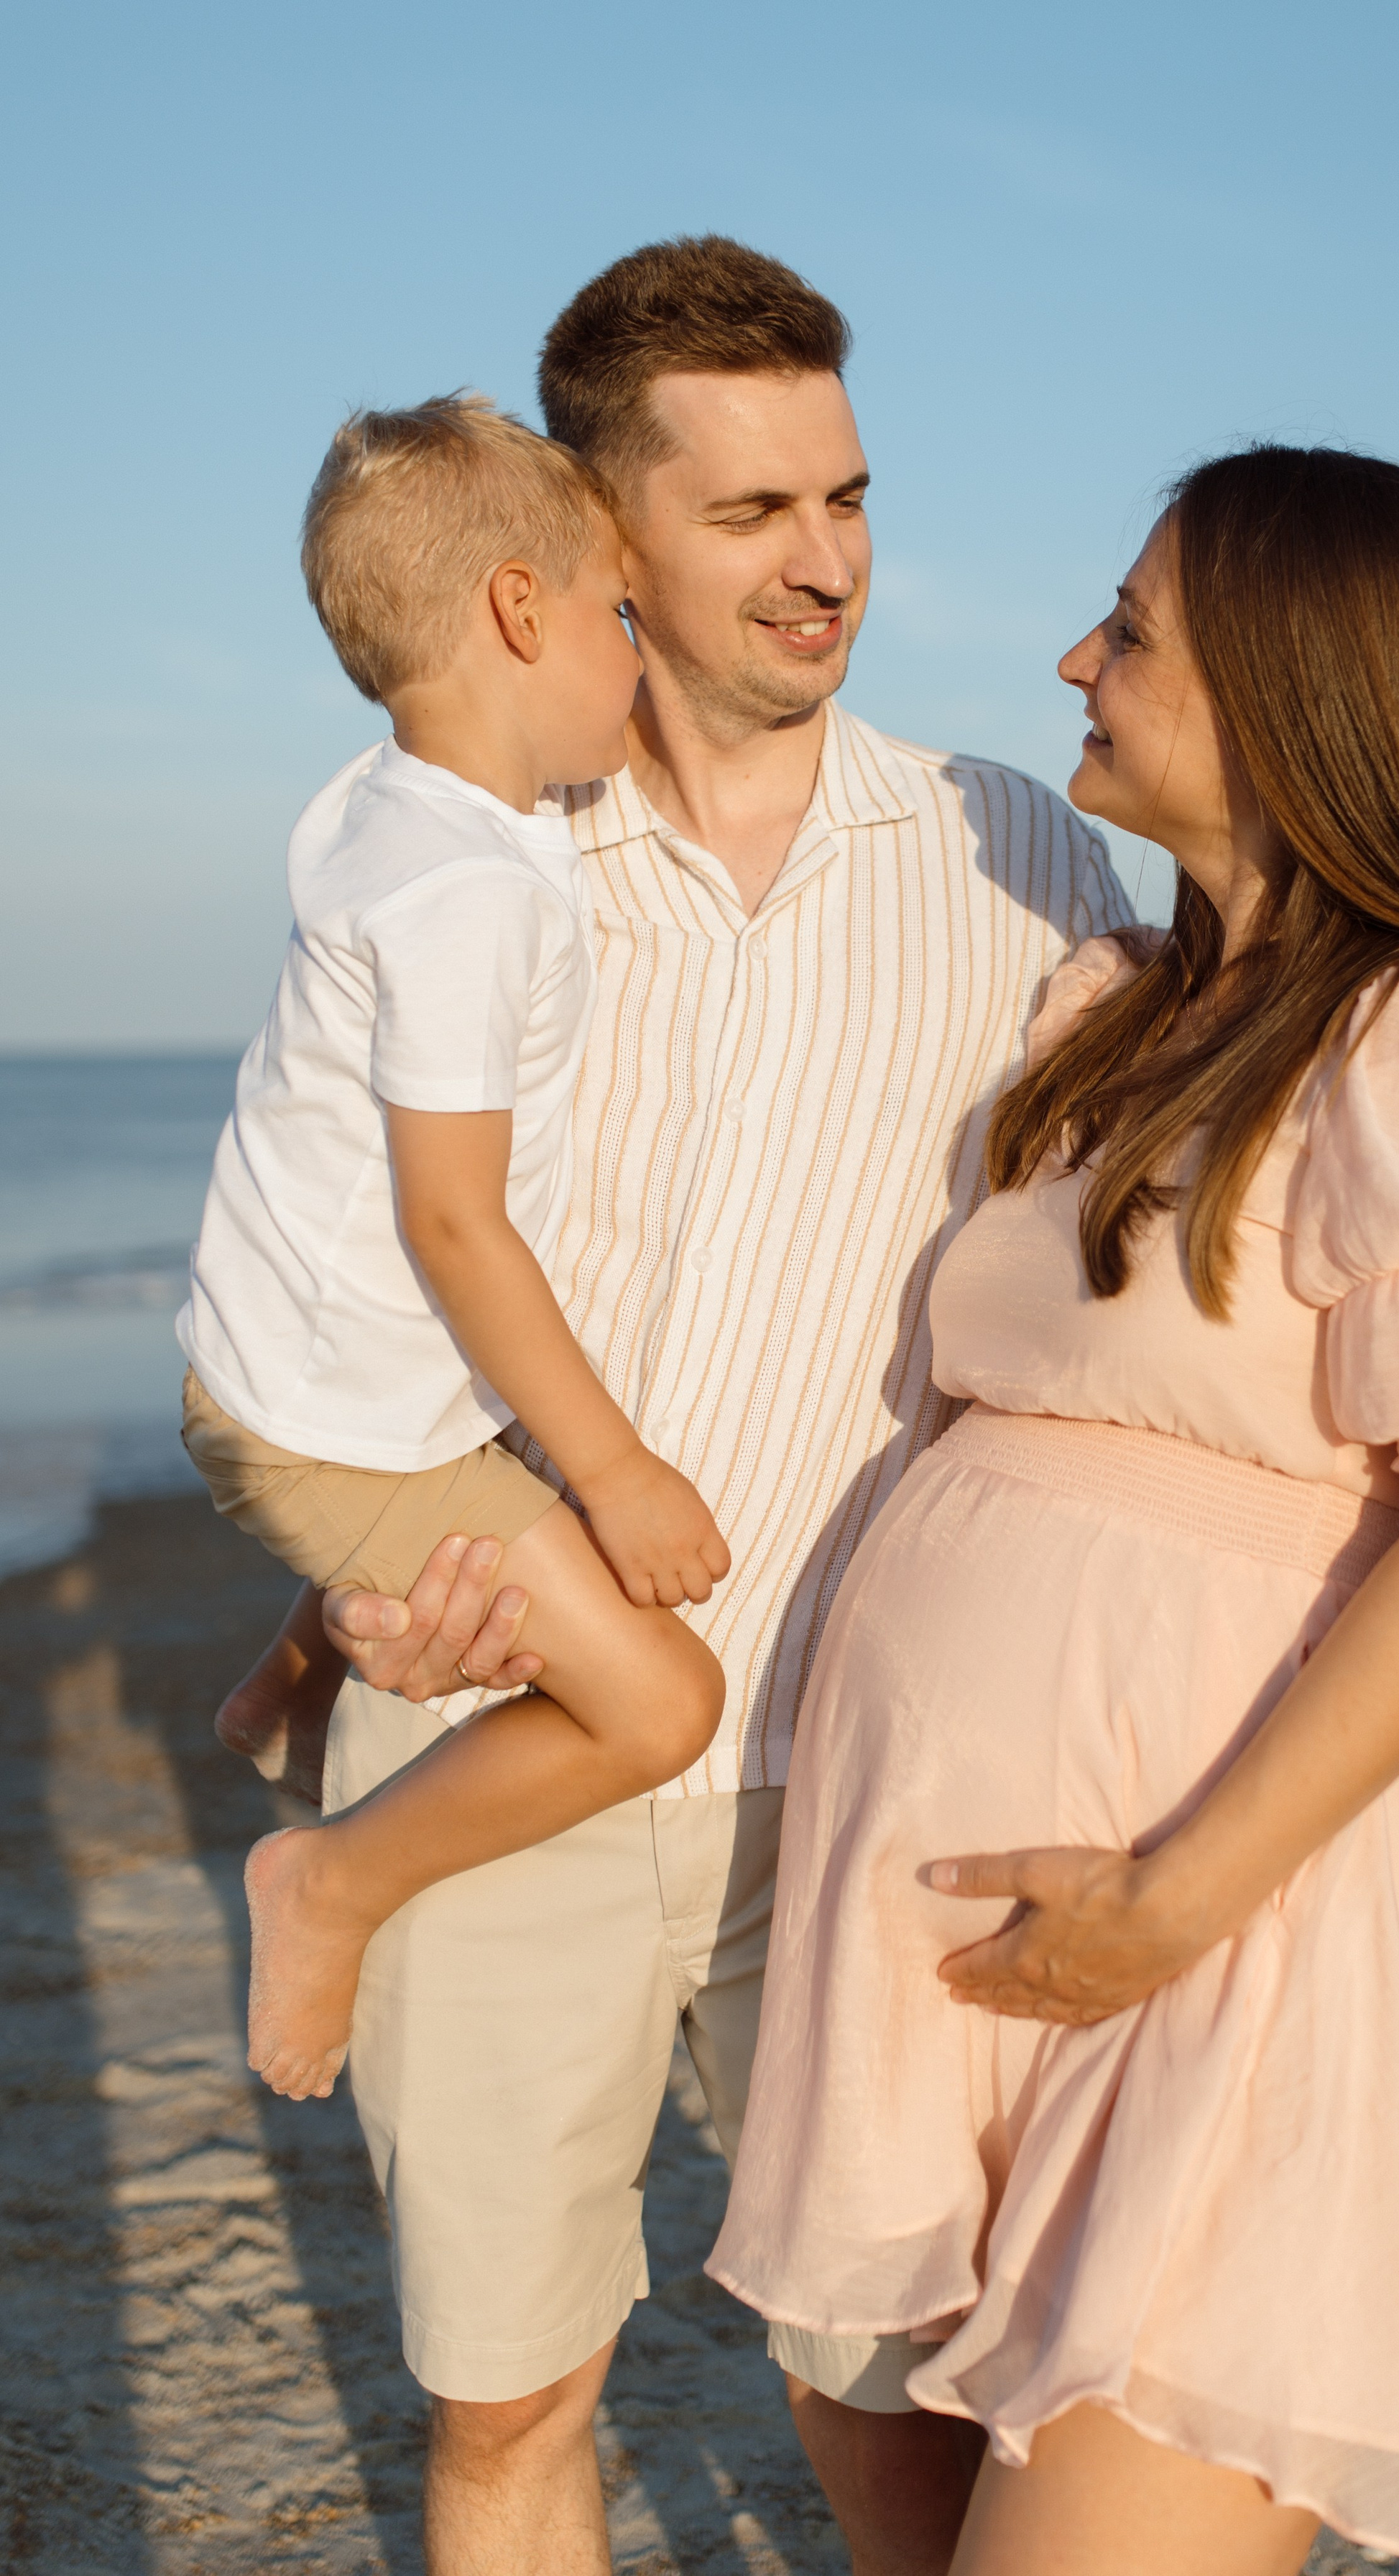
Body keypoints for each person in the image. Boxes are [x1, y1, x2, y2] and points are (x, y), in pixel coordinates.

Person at [709, 444, 1399, 2574]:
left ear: (1302, 688)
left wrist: (1173, 1898)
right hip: (944, 1931)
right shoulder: (1114, 1014)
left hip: (1234, 1922)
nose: (1075, 658)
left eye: (1132, 631)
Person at [281, 237, 1135, 2575]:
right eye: (754, 508)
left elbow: (1165, 1249)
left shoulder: (1011, 847)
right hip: (503, 1738)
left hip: (864, 1767)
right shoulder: (467, 861)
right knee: (509, 2401)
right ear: (597, 526)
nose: (827, 556)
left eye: (845, 492)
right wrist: (346, 1588)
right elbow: (306, 1282)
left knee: (894, 2408)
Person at [176, 395, 730, 2103]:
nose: (638, 664)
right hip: (334, 1416)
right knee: (662, 1703)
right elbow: (453, 1222)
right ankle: (329, 1876)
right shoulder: (462, 896)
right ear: (514, 613)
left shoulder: (387, 807)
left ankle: (295, 1668)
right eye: (618, 618)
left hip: (272, 1361)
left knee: (461, 1465)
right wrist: (616, 1467)